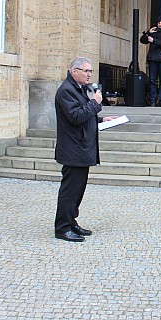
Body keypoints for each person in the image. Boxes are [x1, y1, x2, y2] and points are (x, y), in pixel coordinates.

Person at [54, 57, 116, 242]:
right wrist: (95, 103)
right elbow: (74, 116)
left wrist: (101, 120)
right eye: (85, 71)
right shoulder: (66, 91)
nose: (89, 74)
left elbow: (83, 114)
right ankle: (62, 228)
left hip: (81, 148)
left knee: (78, 189)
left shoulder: (77, 89)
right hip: (73, 149)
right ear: (74, 71)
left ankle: (71, 222)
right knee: (70, 190)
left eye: (90, 71)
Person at [141, 15, 161, 107]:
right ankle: (152, 100)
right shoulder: (153, 32)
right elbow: (142, 40)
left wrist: (153, 40)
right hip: (153, 59)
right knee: (152, 80)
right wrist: (148, 33)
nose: (160, 25)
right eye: (159, 23)